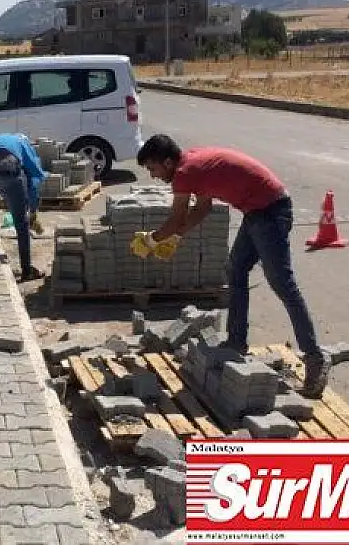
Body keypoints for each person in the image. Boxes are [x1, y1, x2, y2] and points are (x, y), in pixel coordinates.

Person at [134, 134, 330, 398]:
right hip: (258, 211)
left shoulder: (185, 172)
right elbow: (202, 209)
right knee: (235, 270)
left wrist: (151, 240)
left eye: (153, 168)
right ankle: (236, 341)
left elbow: (177, 216)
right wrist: (177, 236)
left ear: (167, 162)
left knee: (283, 284)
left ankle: (315, 358)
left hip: (271, 212)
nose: (153, 175)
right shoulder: (191, 164)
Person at [0, 133, 46, 282]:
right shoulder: (24, 146)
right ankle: (27, 271)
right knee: (21, 224)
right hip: (8, 177)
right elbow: (34, 180)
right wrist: (32, 210)